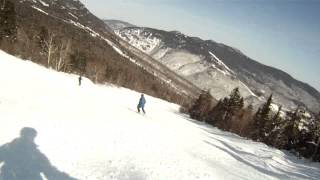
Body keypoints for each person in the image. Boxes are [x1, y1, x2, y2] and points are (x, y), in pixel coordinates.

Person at [0, 127, 77, 180]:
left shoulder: (8, 148)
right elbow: (51, 173)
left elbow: (51, 173)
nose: (28, 139)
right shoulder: (8, 149)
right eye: (29, 136)